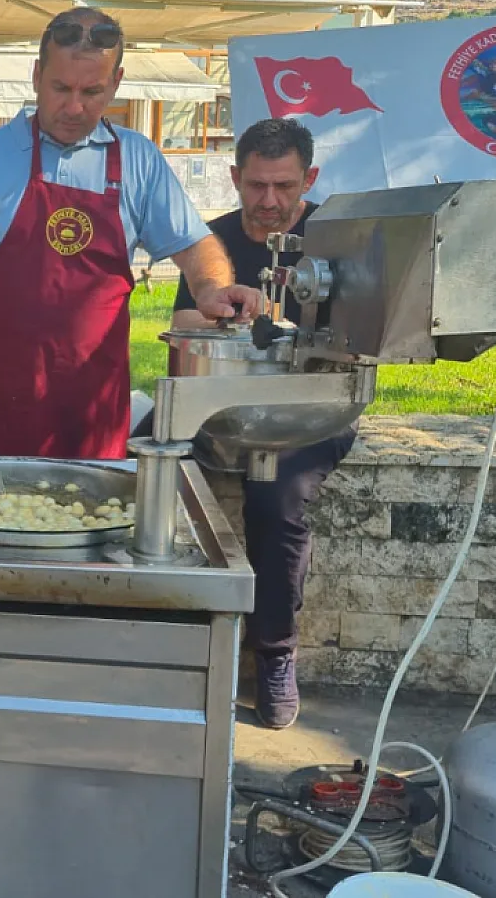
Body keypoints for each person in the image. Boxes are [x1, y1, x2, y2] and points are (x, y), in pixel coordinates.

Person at [0, 8, 263, 459]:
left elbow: (196, 246)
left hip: (92, 413)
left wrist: (211, 287)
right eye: (60, 89)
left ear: (116, 82)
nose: (74, 108)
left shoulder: (138, 161)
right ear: (36, 76)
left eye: (91, 92)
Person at [169, 118, 356, 730]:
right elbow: (181, 325)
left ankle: (274, 653)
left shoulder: (341, 239)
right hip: (222, 401)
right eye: (255, 186)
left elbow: (363, 338)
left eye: (283, 186)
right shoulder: (211, 244)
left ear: (310, 178)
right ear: (234, 178)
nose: (269, 201)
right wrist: (229, 311)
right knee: (155, 473)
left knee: (274, 499)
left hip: (309, 407)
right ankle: (176, 644)